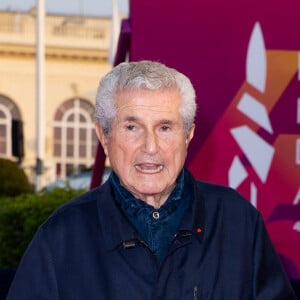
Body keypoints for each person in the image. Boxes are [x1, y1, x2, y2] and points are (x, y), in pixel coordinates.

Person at [7, 61, 296, 299]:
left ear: (188, 135)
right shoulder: (61, 239)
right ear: (103, 136)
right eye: (132, 127)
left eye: (165, 127)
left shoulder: (238, 221)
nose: (150, 146)